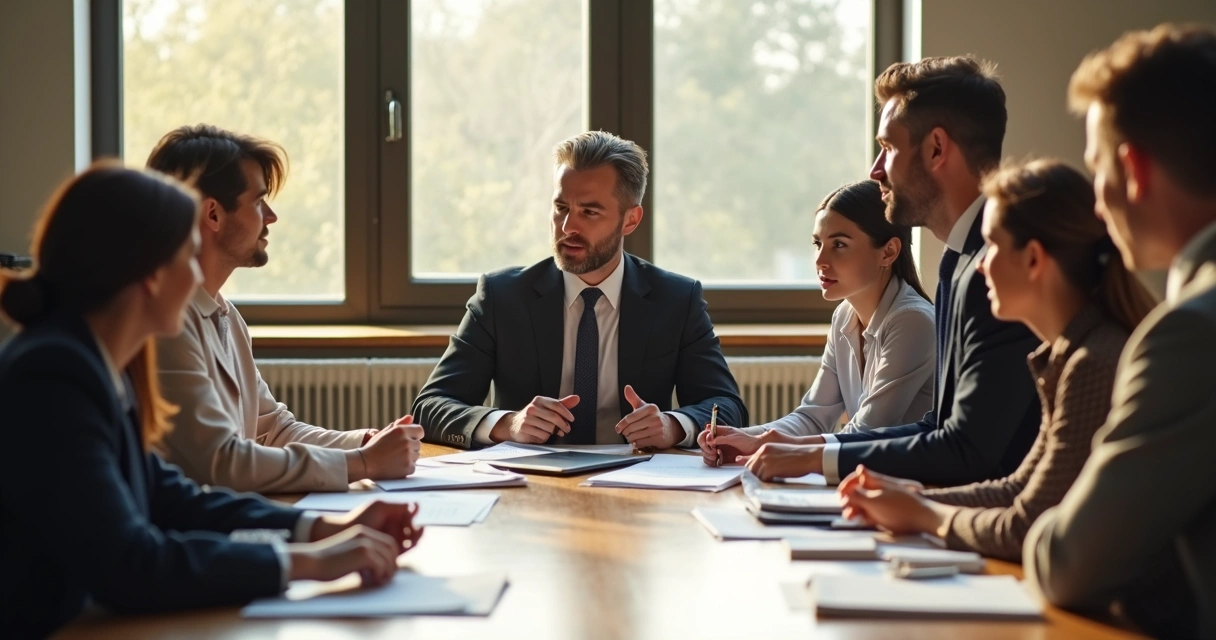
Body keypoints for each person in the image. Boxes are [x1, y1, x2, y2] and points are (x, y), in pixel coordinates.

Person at [0, 164, 424, 638]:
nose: (198, 272)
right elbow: (131, 564)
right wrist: (306, 562)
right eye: (188, 253)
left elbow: (172, 499)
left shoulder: (91, 360)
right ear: (149, 275)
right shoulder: (53, 374)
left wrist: (321, 528)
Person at [835, 158, 1156, 562]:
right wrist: (911, 496)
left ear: (1033, 260)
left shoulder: (1093, 360)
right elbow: (1017, 488)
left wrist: (926, 514)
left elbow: (1026, 525)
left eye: (992, 246)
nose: (981, 264)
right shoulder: (1068, 352)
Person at [742, 56, 1041, 486]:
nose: (875, 170)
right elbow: (938, 428)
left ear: (936, 149)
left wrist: (814, 458)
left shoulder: (997, 267)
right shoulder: (958, 260)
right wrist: (805, 451)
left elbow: (968, 450)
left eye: (888, 147)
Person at [1024, 25, 1216, 638]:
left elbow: (1067, 562)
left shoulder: (1188, 334)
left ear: (1131, 169)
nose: (1097, 206)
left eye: (1096, 169)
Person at [413, 130, 746, 449]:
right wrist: (508, 424)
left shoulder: (676, 300)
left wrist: (673, 426)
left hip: (635, 483)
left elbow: (728, 407)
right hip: (530, 487)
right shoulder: (501, 297)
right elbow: (429, 407)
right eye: (561, 208)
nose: (568, 227)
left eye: (589, 211)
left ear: (630, 220)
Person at [146, 125, 421, 494]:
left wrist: (367, 442)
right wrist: (364, 463)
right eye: (258, 202)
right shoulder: (167, 324)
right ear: (213, 214)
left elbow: (273, 430)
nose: (271, 217)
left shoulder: (224, 314)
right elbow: (221, 463)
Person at [698, 180, 934, 466]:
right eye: (817, 244)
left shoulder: (912, 321)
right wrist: (740, 438)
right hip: (868, 476)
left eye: (839, 245)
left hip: (916, 485)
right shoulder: (844, 316)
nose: (821, 260)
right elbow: (812, 416)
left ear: (888, 252)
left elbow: (868, 432)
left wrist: (776, 447)